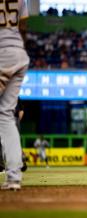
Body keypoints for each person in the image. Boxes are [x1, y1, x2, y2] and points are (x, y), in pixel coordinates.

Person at [0, 0, 30, 191]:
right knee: (5, 115)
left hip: (1, 52)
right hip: (19, 53)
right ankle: (13, 177)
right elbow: (24, 26)